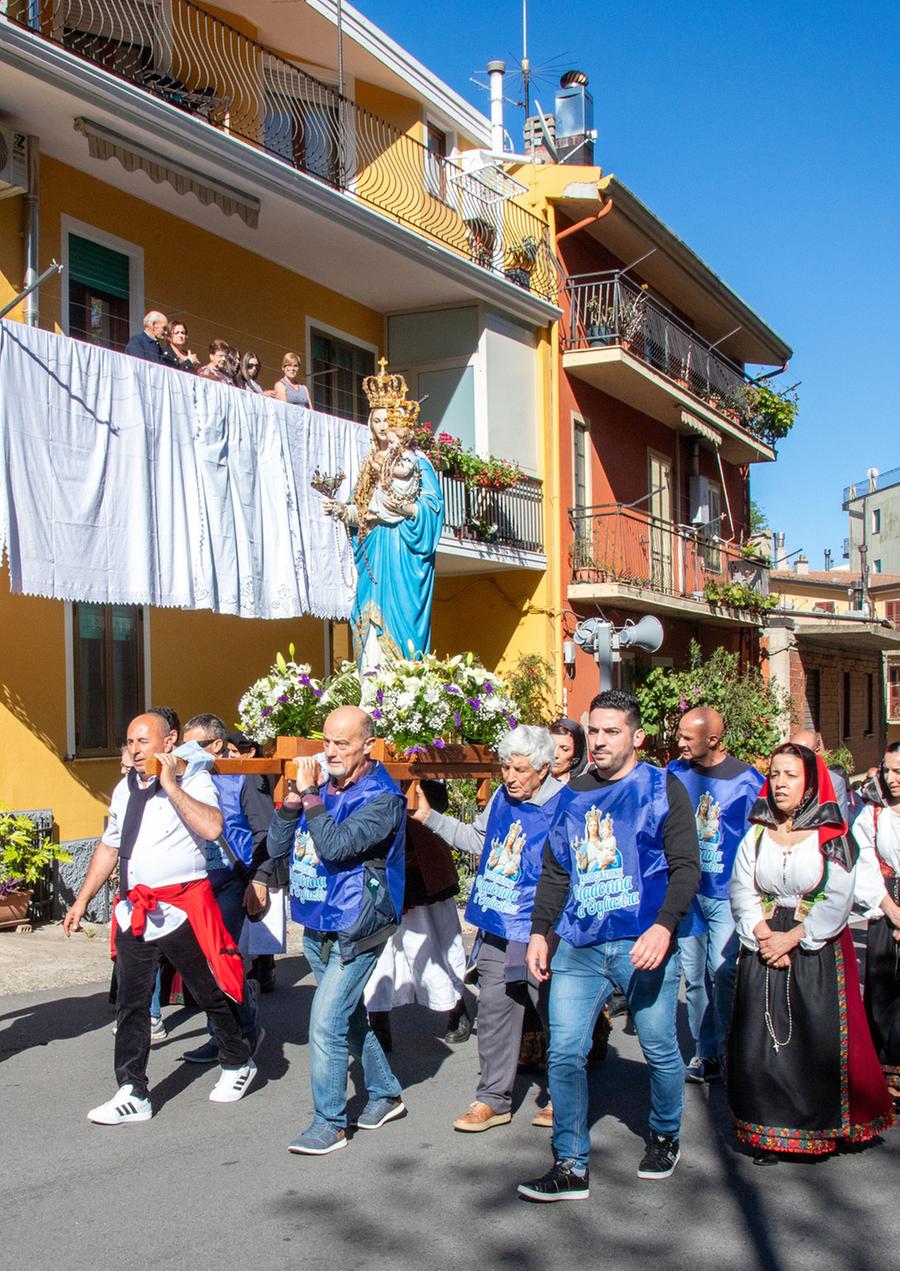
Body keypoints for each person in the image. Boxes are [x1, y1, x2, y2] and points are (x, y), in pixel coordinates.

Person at [518, 690, 700, 1202]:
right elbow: (556, 869)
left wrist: (664, 927)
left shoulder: (663, 788)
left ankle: (664, 1134)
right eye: (593, 731)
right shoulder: (573, 794)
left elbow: (687, 867)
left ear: (636, 736)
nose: (598, 741)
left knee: (659, 1047)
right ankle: (570, 1164)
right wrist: (540, 931)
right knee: (564, 1053)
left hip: (643, 943)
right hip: (580, 943)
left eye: (611, 731)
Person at [63, 708, 255, 1123]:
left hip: (183, 906)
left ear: (169, 742)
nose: (135, 750)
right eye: (130, 741)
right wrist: (82, 899)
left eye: (143, 741)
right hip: (137, 907)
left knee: (207, 990)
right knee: (131, 1002)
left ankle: (238, 1058)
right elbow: (110, 846)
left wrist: (170, 783)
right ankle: (133, 1089)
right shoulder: (124, 789)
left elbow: (212, 827)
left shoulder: (194, 778)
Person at [727, 742, 893, 1163]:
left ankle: (818, 1127)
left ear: (811, 783)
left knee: (814, 1040)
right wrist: (763, 933)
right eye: (774, 775)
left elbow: (838, 896)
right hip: (764, 944)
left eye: (790, 775)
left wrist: (794, 937)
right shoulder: (757, 835)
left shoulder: (831, 837)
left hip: (815, 948)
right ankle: (766, 1130)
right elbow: (742, 888)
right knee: (761, 1042)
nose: (780, 784)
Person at [266, 706, 406, 1155]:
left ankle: (329, 1123)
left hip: (357, 923)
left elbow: (337, 845)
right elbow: (276, 847)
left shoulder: (383, 798)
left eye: (342, 744)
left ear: (368, 746)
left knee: (326, 1022)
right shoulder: (322, 788)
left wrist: (311, 796)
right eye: (326, 741)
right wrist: (291, 805)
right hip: (317, 921)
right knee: (349, 1016)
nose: (330, 752)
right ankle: (385, 1094)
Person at [413, 726, 564, 1132]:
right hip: (499, 922)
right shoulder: (501, 797)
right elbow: (478, 840)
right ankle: (493, 1100)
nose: (509, 777)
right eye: (505, 767)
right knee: (495, 1009)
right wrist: (429, 818)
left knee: (553, 1011)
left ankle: (563, 1096)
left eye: (519, 769)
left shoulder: (566, 805)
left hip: (542, 927)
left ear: (544, 769)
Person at [324, 359, 443, 668]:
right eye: (375, 420)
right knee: (368, 623)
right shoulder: (368, 467)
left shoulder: (417, 462)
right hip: (375, 552)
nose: (381, 426)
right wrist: (343, 511)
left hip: (403, 553)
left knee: (401, 620)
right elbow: (362, 511)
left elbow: (432, 509)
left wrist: (402, 509)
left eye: (386, 420)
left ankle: (404, 676)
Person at [669, 707, 763, 1082]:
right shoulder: (675, 774)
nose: (678, 742)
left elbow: (759, 837)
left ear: (713, 740)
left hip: (726, 894)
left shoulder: (747, 781)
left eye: (686, 737)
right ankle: (706, 1053)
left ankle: (732, 1051)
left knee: (723, 974)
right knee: (694, 977)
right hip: (688, 895)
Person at [178, 713, 273, 1063]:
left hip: (233, 880)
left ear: (217, 745)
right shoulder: (185, 778)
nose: (185, 753)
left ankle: (240, 1032)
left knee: (222, 959)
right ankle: (225, 1030)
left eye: (194, 745)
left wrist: (260, 878)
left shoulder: (243, 777)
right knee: (204, 964)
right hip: (196, 883)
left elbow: (264, 830)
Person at [365, 780, 471, 1050]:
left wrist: (417, 784)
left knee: (438, 944)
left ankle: (456, 1007)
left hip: (422, 863)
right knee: (379, 949)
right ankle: (378, 1021)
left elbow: (439, 802)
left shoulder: (420, 763)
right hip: (376, 864)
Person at [853, 742, 900, 1100]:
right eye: (887, 770)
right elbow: (864, 864)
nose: (892, 777)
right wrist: (892, 911)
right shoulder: (872, 812)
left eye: (899, 771)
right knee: (885, 991)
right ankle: (890, 1076)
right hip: (886, 908)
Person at [791, 728, 857, 823]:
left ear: (817, 751)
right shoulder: (780, 778)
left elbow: (839, 822)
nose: (793, 757)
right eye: (791, 751)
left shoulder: (833, 781)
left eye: (800, 753)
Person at [549, 718, 588, 784]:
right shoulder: (534, 780)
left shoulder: (587, 784)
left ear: (576, 754)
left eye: (564, 749)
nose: (555, 754)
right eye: (552, 747)